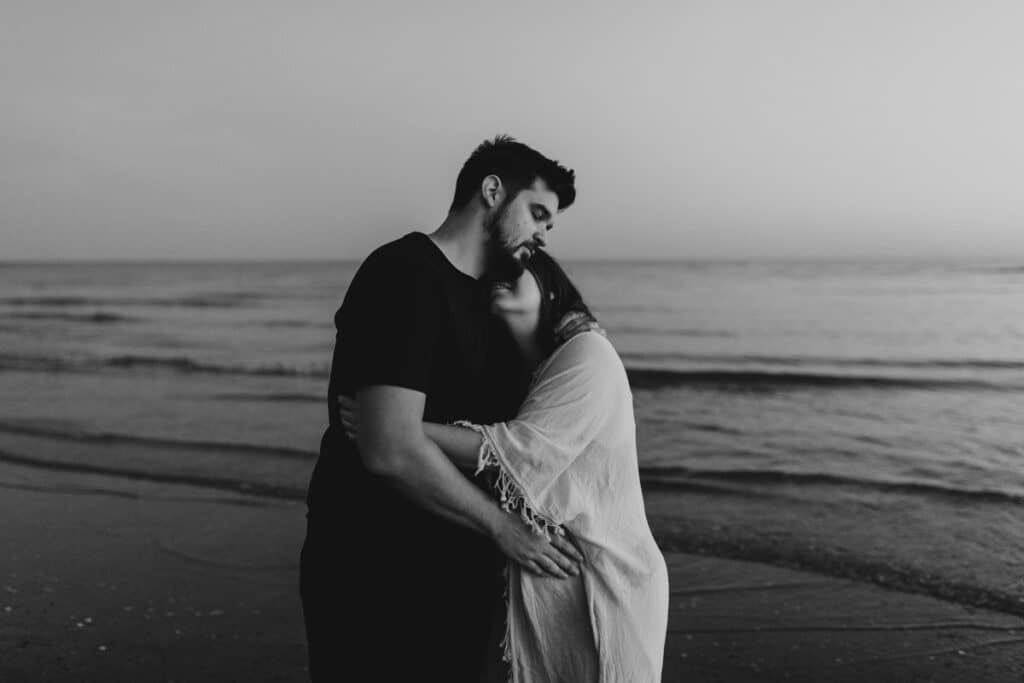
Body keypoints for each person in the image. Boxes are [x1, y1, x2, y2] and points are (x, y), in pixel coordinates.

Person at [299, 135, 583, 682]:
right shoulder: (404, 274)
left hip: (461, 566)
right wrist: (505, 528)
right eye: (537, 214)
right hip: (371, 568)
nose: (544, 234)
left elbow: (530, 424)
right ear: (492, 191)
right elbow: (389, 451)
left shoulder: (501, 298)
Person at [341, 250, 670, 682]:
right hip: (556, 577)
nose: (499, 277)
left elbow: (521, 453)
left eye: (517, 270)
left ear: (549, 289)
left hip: (610, 576)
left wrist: (395, 426)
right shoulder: (530, 379)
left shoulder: (588, 352)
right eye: (491, 275)